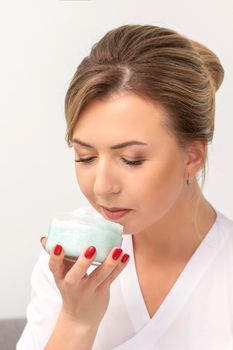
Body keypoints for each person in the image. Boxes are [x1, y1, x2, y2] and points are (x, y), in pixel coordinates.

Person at [16, 24, 233, 350]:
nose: (102, 187)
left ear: (192, 157)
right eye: (85, 156)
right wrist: (77, 321)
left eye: (131, 159)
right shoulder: (71, 263)